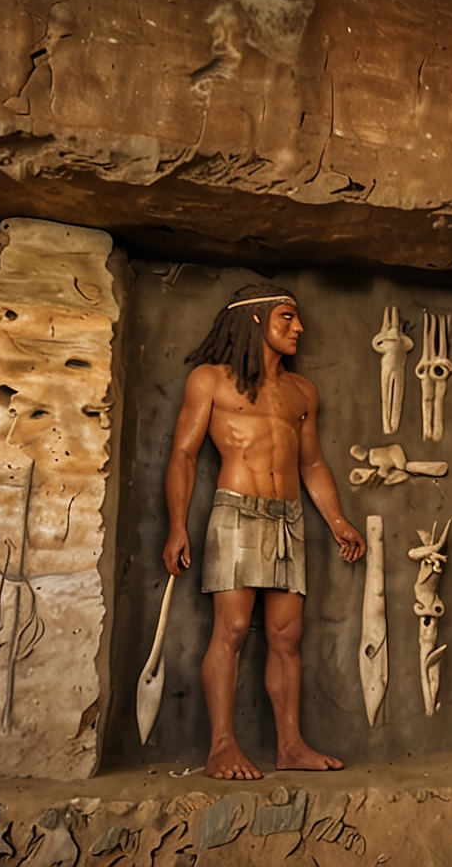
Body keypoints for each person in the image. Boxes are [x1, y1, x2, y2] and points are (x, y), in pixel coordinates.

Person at [163, 283, 366, 781]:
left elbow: (313, 463)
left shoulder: (302, 392)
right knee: (230, 630)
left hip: (288, 518)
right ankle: (221, 747)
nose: (299, 328)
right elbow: (184, 455)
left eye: (296, 319)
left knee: (286, 635)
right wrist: (177, 527)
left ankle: (291, 745)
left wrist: (338, 522)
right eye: (287, 317)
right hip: (235, 511)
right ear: (255, 319)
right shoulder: (209, 381)